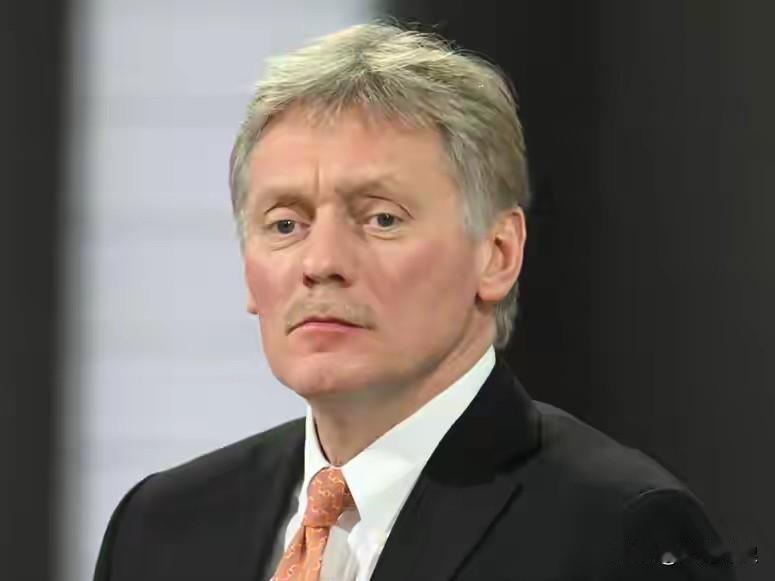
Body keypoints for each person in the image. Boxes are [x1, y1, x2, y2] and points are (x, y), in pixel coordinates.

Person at [93, 20, 736, 581]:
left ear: (497, 254)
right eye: (285, 224)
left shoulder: (620, 532)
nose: (320, 263)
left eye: (382, 219)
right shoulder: (160, 526)